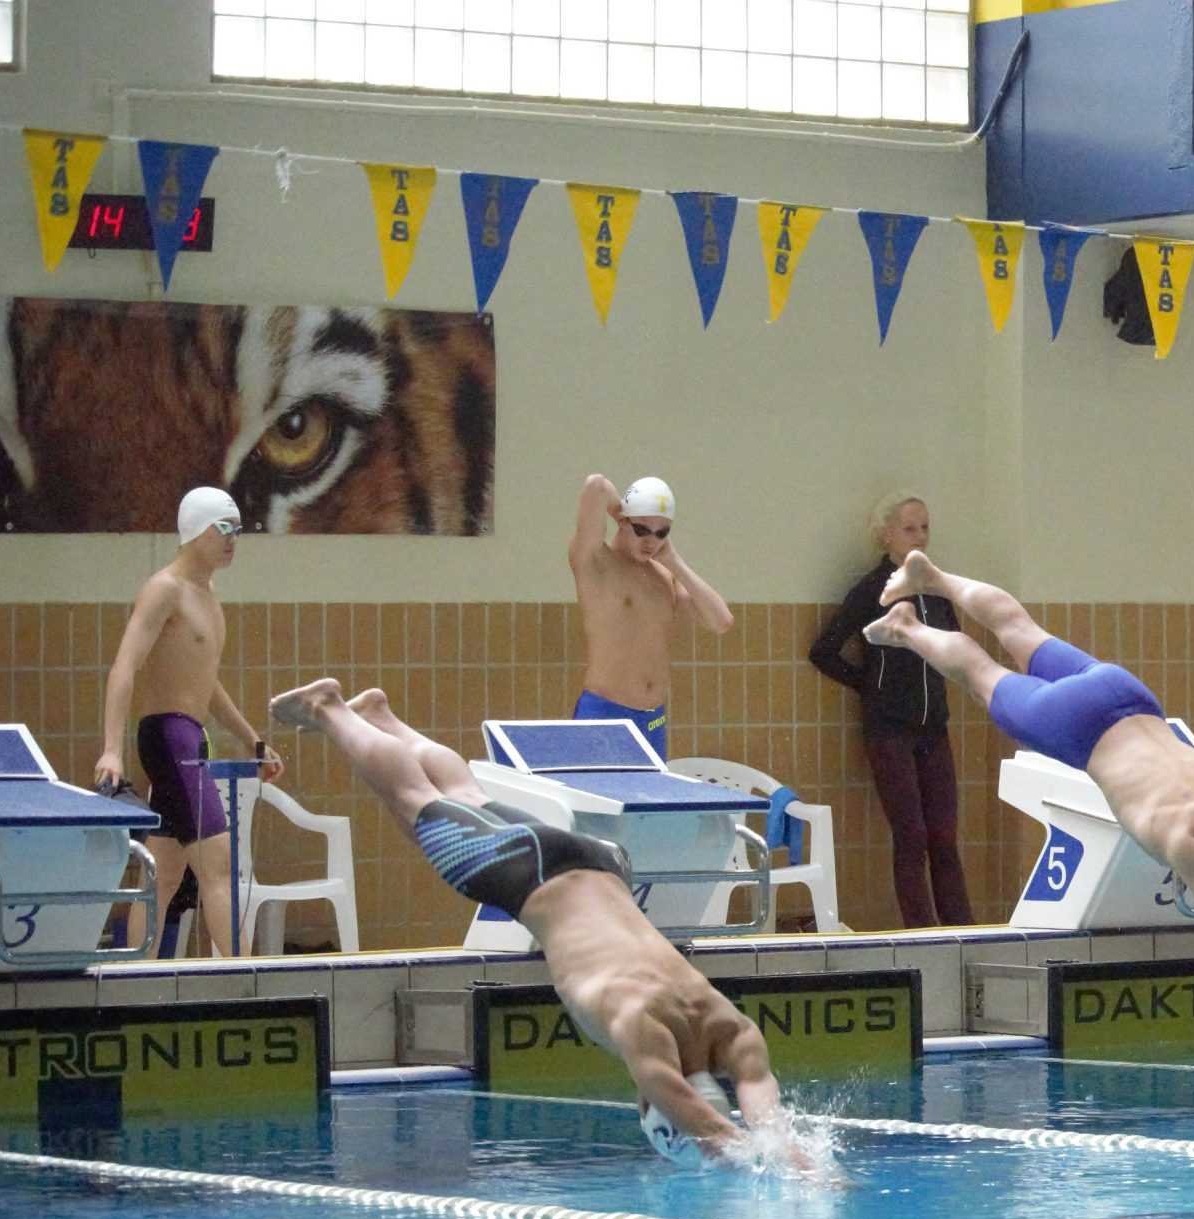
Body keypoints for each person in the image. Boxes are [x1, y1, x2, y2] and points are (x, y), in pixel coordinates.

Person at [864, 551, 1194, 1063]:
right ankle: (909, 627)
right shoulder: (1191, 847)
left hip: (1127, 695)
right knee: (981, 673)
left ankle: (932, 577)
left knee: (1020, 628)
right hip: (1074, 728)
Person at [268, 678, 780, 1155]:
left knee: (467, 798)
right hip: (524, 879)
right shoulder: (641, 1024)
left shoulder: (729, 1025)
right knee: (414, 801)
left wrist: (795, 1161)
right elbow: (679, 1099)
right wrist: (729, 1152)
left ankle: (383, 719)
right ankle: (329, 708)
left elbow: (760, 1098)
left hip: (597, 862)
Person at [93, 487, 284, 958]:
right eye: (224, 528)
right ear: (196, 530)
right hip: (169, 736)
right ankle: (249, 982)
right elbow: (124, 666)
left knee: (164, 874)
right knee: (218, 869)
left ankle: (131, 976)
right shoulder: (164, 590)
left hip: (188, 737)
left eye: (237, 530)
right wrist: (111, 749)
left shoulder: (207, 595)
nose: (233, 539)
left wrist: (253, 740)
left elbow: (207, 683)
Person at [809, 491, 976, 928]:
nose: (920, 536)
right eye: (909, 528)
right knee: (912, 837)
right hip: (890, 731)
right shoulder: (872, 590)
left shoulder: (936, 589)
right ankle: (923, 933)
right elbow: (823, 650)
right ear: (885, 535)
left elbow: (953, 644)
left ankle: (965, 932)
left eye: (925, 527)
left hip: (932, 727)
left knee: (944, 837)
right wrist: (870, 687)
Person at [567, 474, 734, 759]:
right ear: (623, 521)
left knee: (647, 804)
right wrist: (623, 510)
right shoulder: (596, 562)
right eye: (642, 529)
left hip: (653, 719)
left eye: (661, 533)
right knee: (598, 803)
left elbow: (721, 622)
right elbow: (596, 486)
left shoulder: (665, 577)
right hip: (606, 712)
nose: (651, 541)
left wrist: (674, 562)